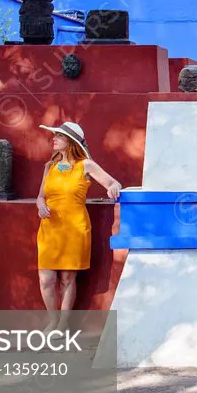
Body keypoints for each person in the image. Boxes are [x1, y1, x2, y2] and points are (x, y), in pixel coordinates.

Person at [36, 122, 121, 332]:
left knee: (67, 278)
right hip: (49, 227)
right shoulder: (50, 166)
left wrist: (113, 189)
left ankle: (62, 325)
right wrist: (40, 205)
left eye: (59, 136)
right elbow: (40, 196)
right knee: (46, 278)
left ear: (70, 142)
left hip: (74, 226)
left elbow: (113, 182)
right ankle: (53, 320)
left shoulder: (85, 165)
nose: (54, 139)